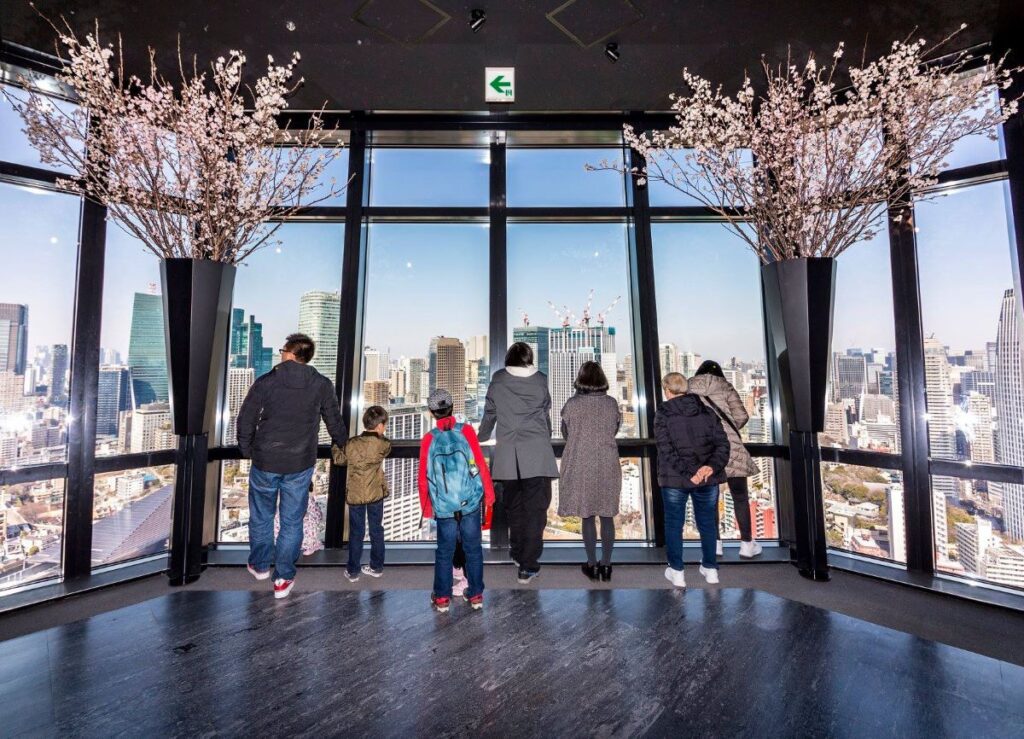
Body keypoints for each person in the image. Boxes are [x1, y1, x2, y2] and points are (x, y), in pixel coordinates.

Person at [237, 333, 347, 599]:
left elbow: (246, 419)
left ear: (289, 353)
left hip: (265, 461)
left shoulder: (267, 381)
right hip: (299, 463)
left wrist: (247, 449)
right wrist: (344, 443)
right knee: (291, 521)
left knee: (261, 516)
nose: (280, 354)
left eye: (282, 350)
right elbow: (334, 421)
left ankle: (261, 566)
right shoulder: (321, 384)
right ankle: (283, 578)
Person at [478, 342, 559, 584]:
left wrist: (480, 437)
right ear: (529, 358)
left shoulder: (498, 379)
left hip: (507, 455)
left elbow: (489, 414)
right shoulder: (541, 379)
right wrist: (547, 433)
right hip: (537, 452)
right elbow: (545, 413)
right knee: (536, 511)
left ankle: (516, 552)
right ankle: (528, 565)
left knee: (514, 508)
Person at [418, 389, 495, 613]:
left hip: (443, 507)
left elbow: (423, 477)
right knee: (473, 549)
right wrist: (488, 494)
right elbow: (479, 464)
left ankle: (442, 597)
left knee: (444, 551)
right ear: (452, 408)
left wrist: (427, 507)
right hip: (469, 502)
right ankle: (476, 594)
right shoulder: (467, 431)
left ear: (432, 413)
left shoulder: (429, 438)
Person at [655, 372, 730, 588]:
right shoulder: (707, 412)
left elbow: (666, 449)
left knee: (674, 524)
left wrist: (689, 473)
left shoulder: (664, 414)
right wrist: (709, 468)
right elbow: (723, 445)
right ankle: (710, 569)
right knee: (707, 524)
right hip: (707, 479)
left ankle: (677, 572)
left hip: (675, 479)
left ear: (667, 391)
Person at [687, 360, 763, 559]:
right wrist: (729, 429)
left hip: (706, 450)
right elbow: (742, 416)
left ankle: (715, 544)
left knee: (709, 499)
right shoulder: (726, 387)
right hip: (731, 448)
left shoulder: (689, 389)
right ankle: (747, 544)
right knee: (740, 498)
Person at [558, 361, 622, 582]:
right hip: (607, 462)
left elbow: (566, 433)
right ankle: (607, 566)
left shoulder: (572, 404)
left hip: (580, 462)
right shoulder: (611, 404)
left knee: (587, 515)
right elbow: (615, 429)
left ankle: (592, 564)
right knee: (607, 515)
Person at [332, 405, 392, 582]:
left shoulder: (351, 444)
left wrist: (336, 446)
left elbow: (339, 460)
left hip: (356, 494)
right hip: (375, 493)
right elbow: (387, 449)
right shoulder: (383, 444)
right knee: (376, 530)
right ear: (380, 426)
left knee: (356, 533)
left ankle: (353, 571)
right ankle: (376, 566)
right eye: (385, 424)